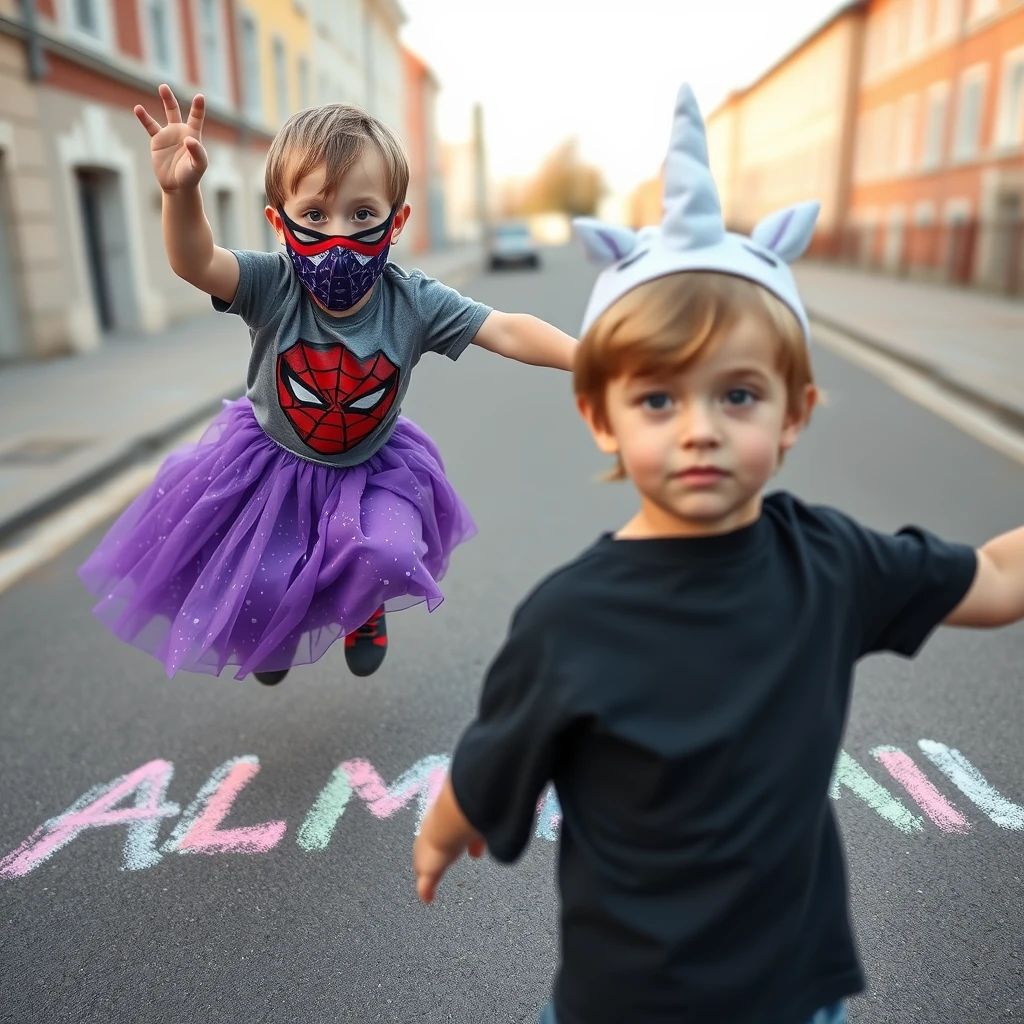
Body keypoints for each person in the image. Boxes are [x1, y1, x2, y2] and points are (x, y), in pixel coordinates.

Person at [413, 83, 1024, 1024]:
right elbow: (491, 763)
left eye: (737, 395)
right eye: (660, 399)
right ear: (600, 414)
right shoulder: (569, 619)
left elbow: (990, 578)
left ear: (794, 416)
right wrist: (447, 831)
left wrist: (443, 836)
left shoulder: (835, 561)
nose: (699, 429)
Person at [78, 85, 575, 685]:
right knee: (263, 581)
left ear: (397, 221)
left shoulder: (412, 301)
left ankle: (364, 612)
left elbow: (506, 329)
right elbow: (194, 260)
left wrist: (594, 357)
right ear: (278, 220)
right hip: (272, 464)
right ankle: (269, 634)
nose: (338, 236)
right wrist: (180, 194)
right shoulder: (273, 285)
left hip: (372, 467)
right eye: (315, 214)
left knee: (387, 554)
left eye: (362, 214)